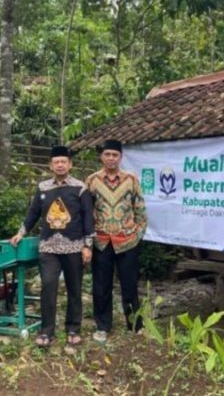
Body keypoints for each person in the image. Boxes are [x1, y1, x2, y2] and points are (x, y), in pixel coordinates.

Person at [10, 145, 94, 348]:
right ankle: (47, 330)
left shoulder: (80, 188)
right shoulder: (43, 188)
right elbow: (32, 214)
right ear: (50, 165)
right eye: (56, 162)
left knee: (74, 289)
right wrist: (20, 233)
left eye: (63, 161)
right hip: (48, 247)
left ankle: (73, 328)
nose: (60, 165)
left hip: (74, 247)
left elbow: (88, 219)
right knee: (48, 287)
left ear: (70, 164)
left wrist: (87, 245)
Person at [85, 139, 148, 344]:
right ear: (101, 156)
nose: (111, 158)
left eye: (115, 155)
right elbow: (87, 211)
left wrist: (138, 234)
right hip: (101, 240)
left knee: (129, 284)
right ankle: (103, 326)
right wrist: (88, 238)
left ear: (120, 157)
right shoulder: (92, 181)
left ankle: (134, 325)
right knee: (101, 285)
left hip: (128, 241)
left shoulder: (131, 179)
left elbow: (140, 208)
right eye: (107, 154)